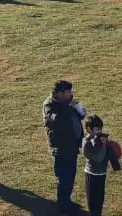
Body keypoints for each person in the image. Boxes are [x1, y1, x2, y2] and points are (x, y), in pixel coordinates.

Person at [43, 79, 86, 215]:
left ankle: (66, 200)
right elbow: (56, 121)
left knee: (71, 175)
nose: (71, 94)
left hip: (72, 146)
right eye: (68, 92)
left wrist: (78, 107)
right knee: (63, 177)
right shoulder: (50, 105)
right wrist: (69, 106)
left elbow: (81, 115)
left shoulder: (68, 102)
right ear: (59, 93)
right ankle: (63, 205)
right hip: (60, 148)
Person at [81, 115, 121, 216]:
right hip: (91, 176)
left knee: (99, 201)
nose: (100, 131)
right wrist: (103, 145)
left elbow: (109, 154)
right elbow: (98, 158)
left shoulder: (99, 139)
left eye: (100, 128)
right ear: (89, 129)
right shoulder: (86, 143)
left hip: (101, 174)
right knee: (93, 203)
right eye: (97, 129)